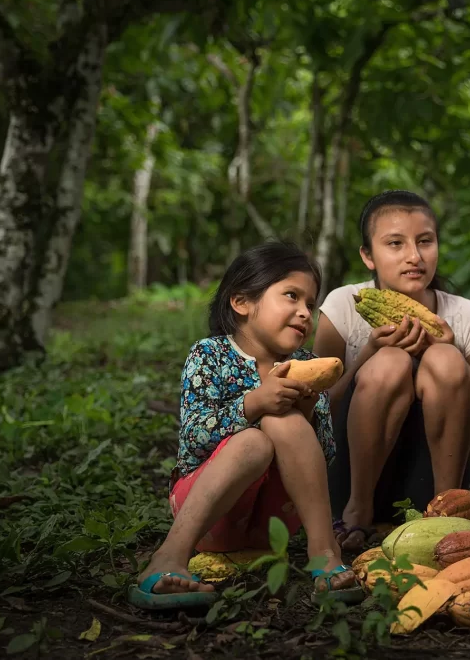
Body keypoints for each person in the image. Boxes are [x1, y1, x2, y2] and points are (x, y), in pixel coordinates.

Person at [130, 241, 363, 611]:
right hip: (208, 516)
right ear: (241, 302)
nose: (305, 312)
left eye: (310, 304)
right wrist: (252, 404)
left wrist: (306, 412)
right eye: (291, 296)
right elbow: (194, 438)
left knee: (284, 420)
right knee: (254, 442)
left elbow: (326, 456)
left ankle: (323, 553)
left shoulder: (307, 365)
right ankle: (170, 555)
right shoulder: (210, 355)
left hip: (275, 525)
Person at [314, 190, 470, 552]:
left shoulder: (467, 315)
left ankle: (446, 517)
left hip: (430, 483)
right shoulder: (343, 306)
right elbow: (317, 415)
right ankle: (358, 512)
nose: (414, 256)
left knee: (445, 360)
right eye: (395, 244)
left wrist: (448, 356)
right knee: (391, 362)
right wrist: (368, 353)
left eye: (425, 241)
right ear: (368, 256)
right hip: (350, 482)